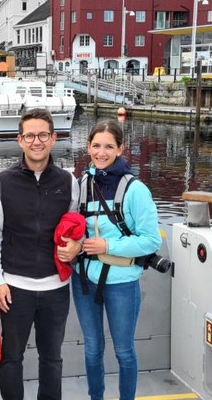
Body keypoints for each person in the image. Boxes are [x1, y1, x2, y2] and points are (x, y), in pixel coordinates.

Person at [0, 108, 81, 400]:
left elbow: (73, 229)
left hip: (56, 289)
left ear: (53, 138)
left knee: (52, 358)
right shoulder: (1, 182)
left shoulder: (68, 182)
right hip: (14, 288)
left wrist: (76, 248)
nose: (36, 141)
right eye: (29, 136)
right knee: (11, 357)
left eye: (42, 135)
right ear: (20, 140)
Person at [70, 120, 161, 400]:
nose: (101, 152)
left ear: (121, 149)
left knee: (124, 351)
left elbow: (151, 240)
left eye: (109, 146)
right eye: (96, 146)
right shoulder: (80, 185)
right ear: (88, 147)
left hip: (121, 283)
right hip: (84, 280)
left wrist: (107, 245)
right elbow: (71, 226)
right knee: (92, 349)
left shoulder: (136, 190)